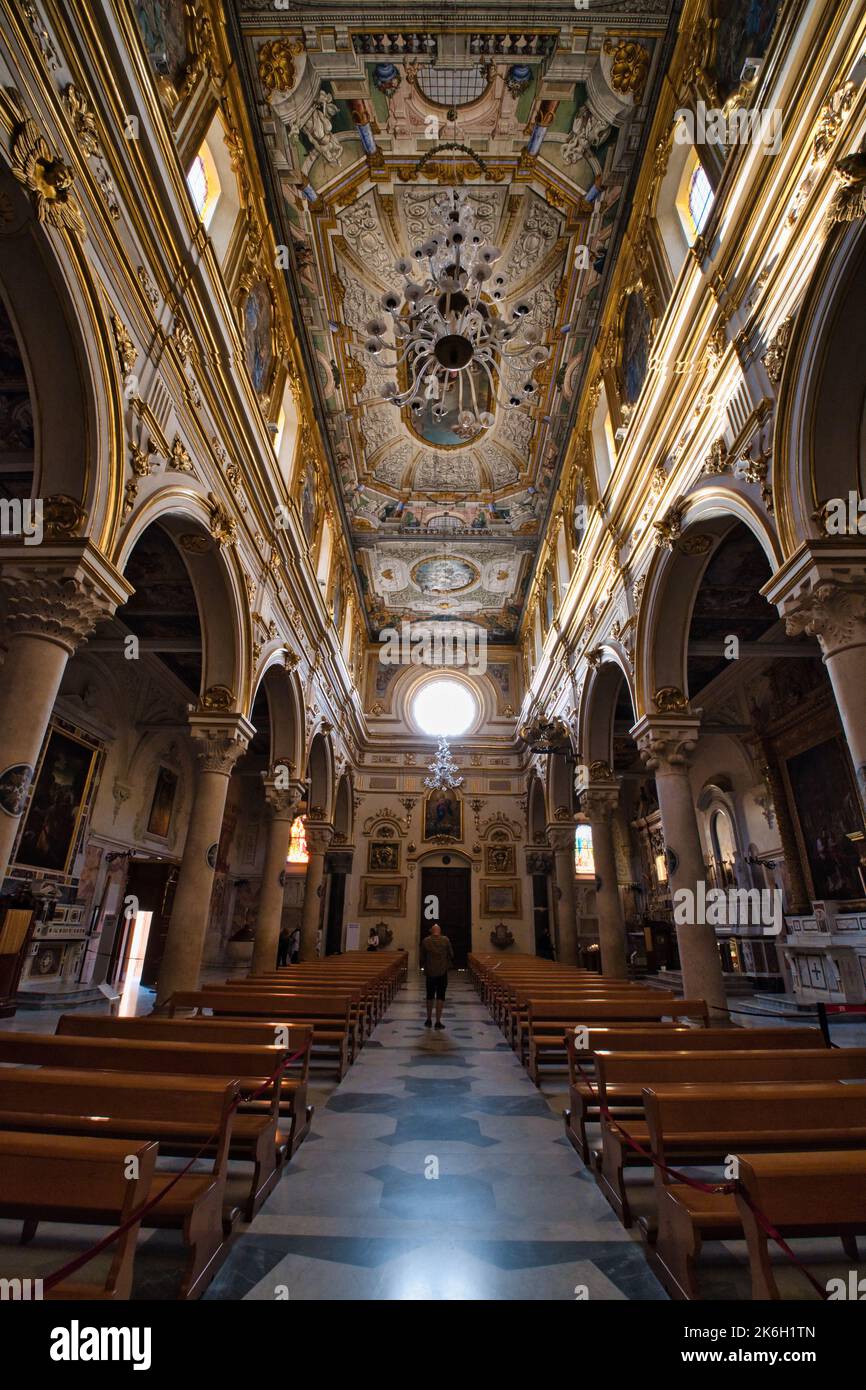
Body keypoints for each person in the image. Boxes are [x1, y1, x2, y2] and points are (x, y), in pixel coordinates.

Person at [420, 922, 454, 1030]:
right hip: (442, 972)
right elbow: (451, 954)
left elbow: (422, 957)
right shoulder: (445, 940)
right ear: (439, 931)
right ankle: (438, 1021)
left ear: (431, 931)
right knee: (440, 996)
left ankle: (428, 1019)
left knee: (429, 996)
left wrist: (424, 965)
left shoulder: (426, 941)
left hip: (430, 972)